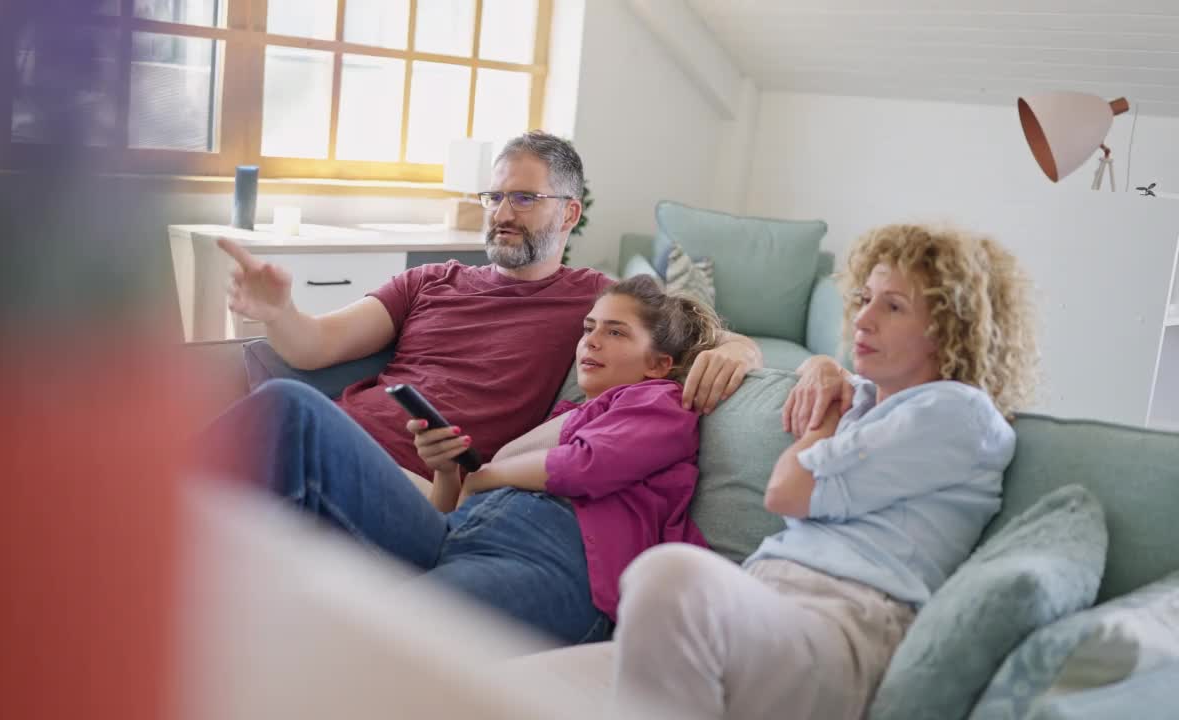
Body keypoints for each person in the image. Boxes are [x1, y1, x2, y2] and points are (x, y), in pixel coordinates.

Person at [610, 223, 1040, 720]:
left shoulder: (957, 410)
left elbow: (788, 491)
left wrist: (827, 416)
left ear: (952, 327)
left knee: (669, 573)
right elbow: (821, 376)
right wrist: (822, 367)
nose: (862, 319)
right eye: (864, 298)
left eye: (893, 306)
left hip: (847, 624)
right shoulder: (870, 398)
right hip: (771, 599)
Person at [215, 131, 762, 491]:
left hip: (416, 483)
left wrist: (739, 348)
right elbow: (315, 345)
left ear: (569, 214)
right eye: (495, 197)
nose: (502, 212)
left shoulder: (594, 301)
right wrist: (279, 311)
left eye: (524, 198)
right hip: (334, 436)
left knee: (280, 407)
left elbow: (681, 330)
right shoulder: (428, 282)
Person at [200, 276, 721, 644]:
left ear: (659, 364)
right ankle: (140, 518)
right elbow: (456, 507)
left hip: (556, 567)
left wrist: (484, 473)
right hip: (462, 537)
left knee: (363, 633)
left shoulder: (660, 403)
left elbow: (587, 466)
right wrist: (449, 473)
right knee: (293, 405)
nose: (591, 341)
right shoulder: (569, 411)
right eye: (589, 328)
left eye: (615, 332)